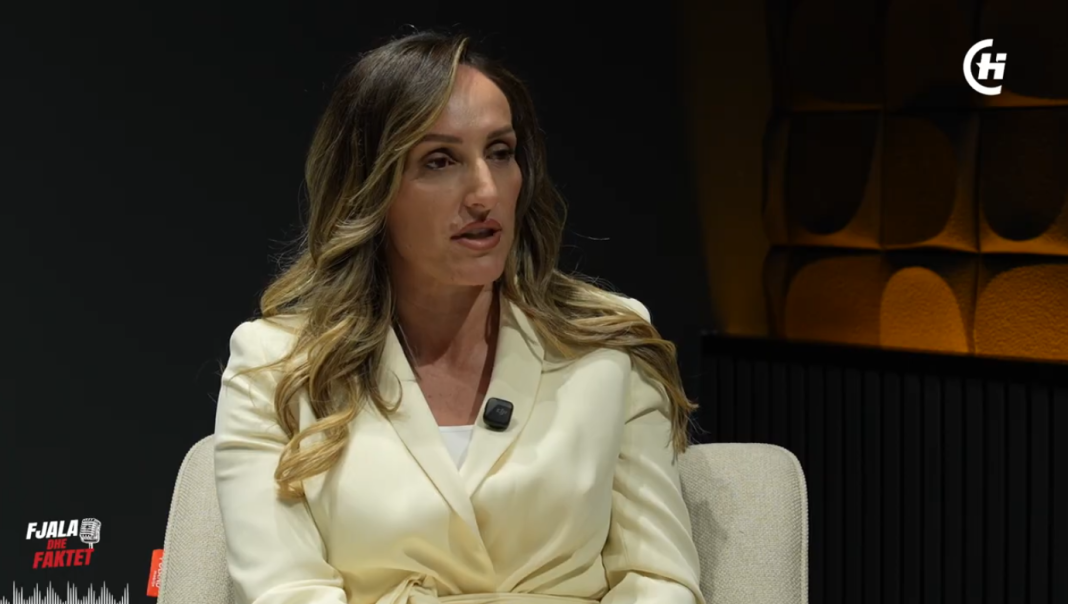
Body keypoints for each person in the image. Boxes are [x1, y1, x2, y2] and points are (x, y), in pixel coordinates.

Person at [214, 29, 706, 604]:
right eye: (440, 160)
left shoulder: (607, 345)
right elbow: (288, 592)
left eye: (500, 152)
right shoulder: (277, 366)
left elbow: (657, 580)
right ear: (370, 188)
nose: (485, 192)